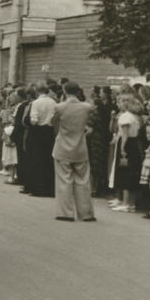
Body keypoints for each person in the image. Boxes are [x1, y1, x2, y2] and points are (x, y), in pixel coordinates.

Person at [50, 82, 95, 222]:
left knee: (64, 180)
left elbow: (52, 122)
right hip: (80, 147)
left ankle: (65, 212)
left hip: (63, 146)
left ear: (64, 91)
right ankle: (86, 213)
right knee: (83, 181)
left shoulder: (60, 107)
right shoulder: (87, 107)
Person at [27, 84, 57, 197]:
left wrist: (33, 122)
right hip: (49, 131)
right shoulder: (53, 102)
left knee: (37, 159)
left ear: (37, 91)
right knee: (48, 159)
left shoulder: (36, 103)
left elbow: (34, 120)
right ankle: (49, 188)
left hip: (38, 131)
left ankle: (38, 188)